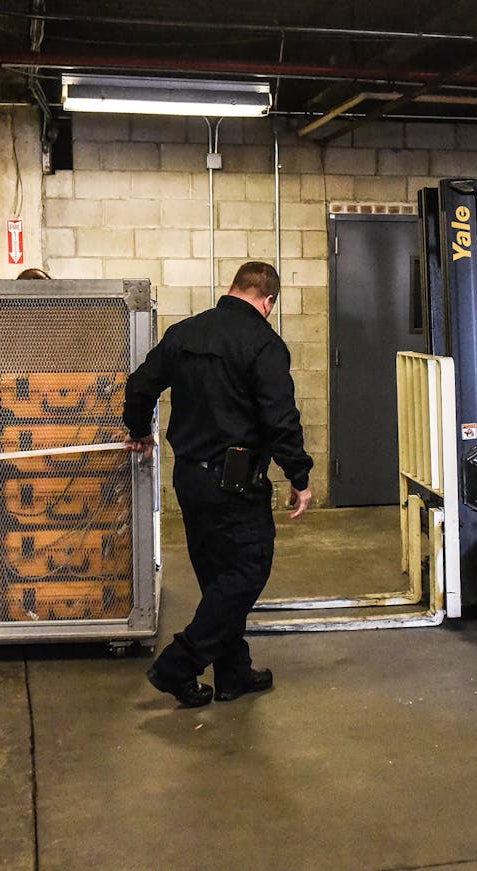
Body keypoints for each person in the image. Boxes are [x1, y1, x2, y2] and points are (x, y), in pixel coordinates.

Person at [123, 261, 313, 708]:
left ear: (233, 289)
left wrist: (139, 432)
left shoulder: (185, 333)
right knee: (248, 571)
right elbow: (280, 418)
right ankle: (179, 664)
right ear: (268, 301)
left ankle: (233, 674)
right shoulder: (264, 344)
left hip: (189, 479)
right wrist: (299, 476)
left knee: (217, 579)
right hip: (237, 484)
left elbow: (139, 385)